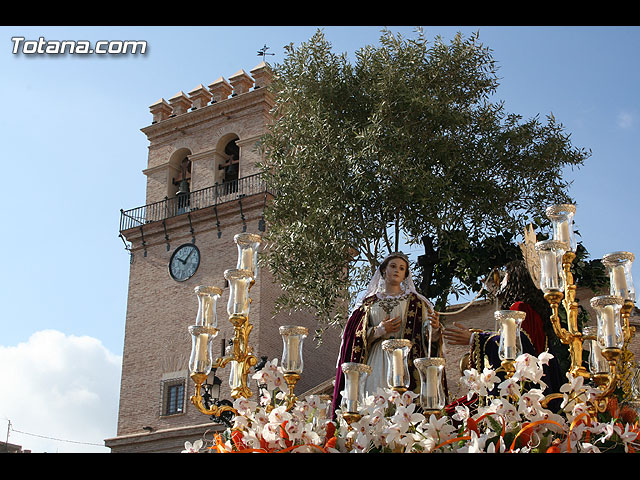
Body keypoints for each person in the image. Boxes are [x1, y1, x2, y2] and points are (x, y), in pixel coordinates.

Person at [331, 252, 445, 416]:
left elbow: (429, 340)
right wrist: (379, 331)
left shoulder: (417, 302)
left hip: (405, 362)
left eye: (402, 268)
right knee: (374, 406)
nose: (397, 270)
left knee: (403, 411)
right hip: (375, 361)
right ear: (384, 270)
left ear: (406, 275)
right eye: (393, 266)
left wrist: (434, 329)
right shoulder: (369, 303)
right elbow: (352, 336)